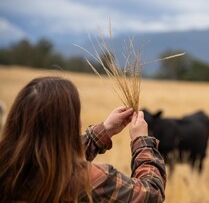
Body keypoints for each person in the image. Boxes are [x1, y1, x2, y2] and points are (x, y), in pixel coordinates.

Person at [0, 76, 166, 202]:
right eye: (76, 115)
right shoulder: (88, 180)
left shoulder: (8, 164)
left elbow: (56, 154)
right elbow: (152, 195)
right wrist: (142, 142)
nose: (80, 121)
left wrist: (103, 131)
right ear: (67, 125)